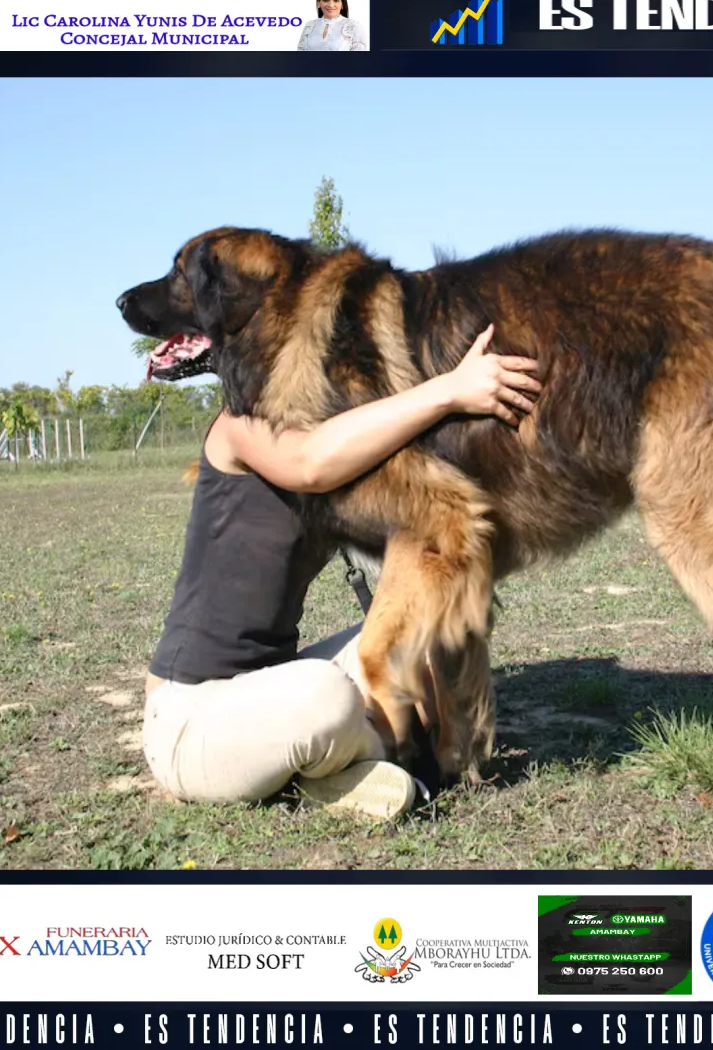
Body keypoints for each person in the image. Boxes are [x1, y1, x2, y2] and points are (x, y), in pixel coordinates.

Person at [142, 325, 541, 820]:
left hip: (268, 687)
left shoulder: (336, 431)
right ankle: (348, 757)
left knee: (424, 627)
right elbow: (310, 465)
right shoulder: (240, 420)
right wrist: (450, 390)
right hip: (189, 718)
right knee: (327, 700)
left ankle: (364, 756)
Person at [297, 0, 368, 51]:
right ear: (318, 3)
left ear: (342, 5)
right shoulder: (309, 25)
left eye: (336, 0)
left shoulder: (354, 25)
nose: (331, 5)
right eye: (326, 0)